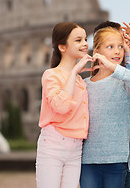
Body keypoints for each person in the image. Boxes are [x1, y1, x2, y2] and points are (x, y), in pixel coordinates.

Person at [80, 28, 130, 187]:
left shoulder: (124, 82)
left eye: (120, 47)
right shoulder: (85, 84)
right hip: (88, 160)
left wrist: (115, 68)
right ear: (96, 50)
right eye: (110, 47)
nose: (117, 51)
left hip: (116, 159)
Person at [36, 22, 94, 188]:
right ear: (62, 46)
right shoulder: (51, 75)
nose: (84, 43)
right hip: (53, 144)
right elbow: (61, 106)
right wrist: (74, 71)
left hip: (76, 148)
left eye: (84, 39)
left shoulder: (79, 80)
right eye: (78, 40)